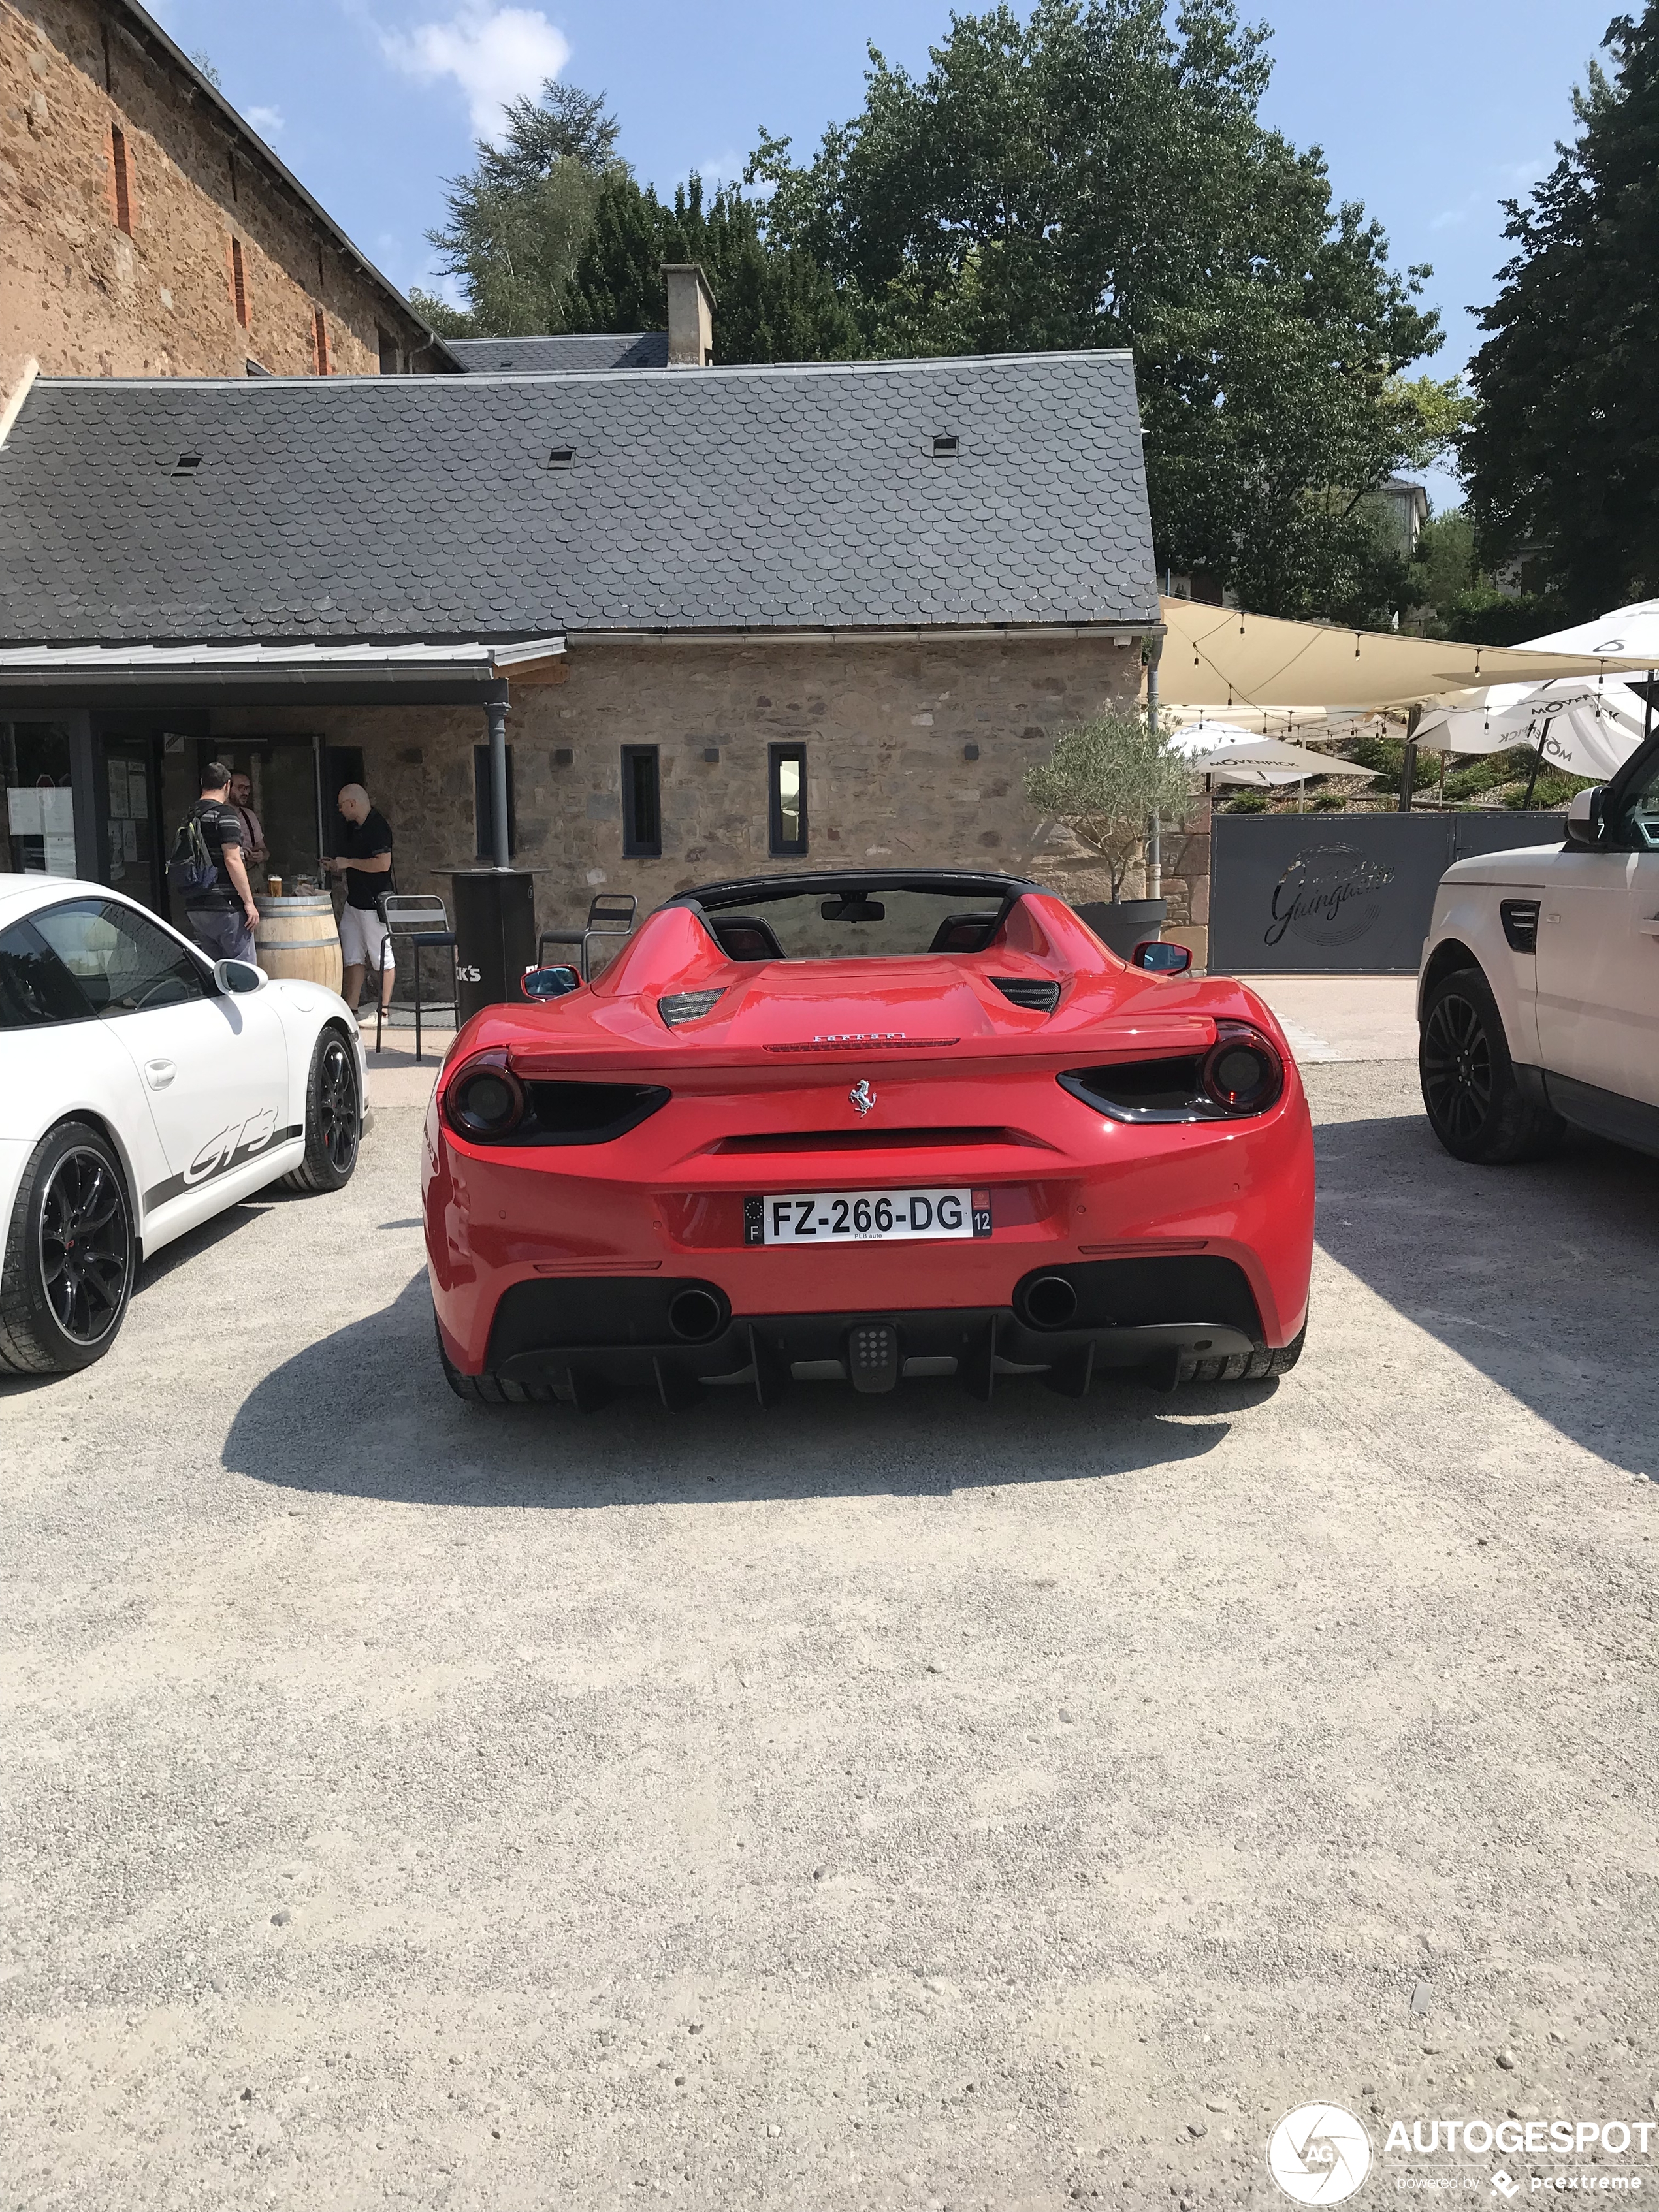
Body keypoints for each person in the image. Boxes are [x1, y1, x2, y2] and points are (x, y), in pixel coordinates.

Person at [327, 782, 395, 1023]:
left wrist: (349, 863)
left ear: (352, 804)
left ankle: (384, 1012)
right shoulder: (355, 828)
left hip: (373, 902)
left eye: (341, 805)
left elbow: (382, 864)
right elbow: (354, 860)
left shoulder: (378, 826)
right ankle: (352, 1009)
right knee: (353, 955)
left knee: (382, 957)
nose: (339, 810)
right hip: (355, 902)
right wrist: (338, 864)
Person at [182, 762, 261, 964]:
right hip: (226, 907)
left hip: (196, 907)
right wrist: (249, 903)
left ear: (202, 784)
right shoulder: (225, 814)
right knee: (244, 973)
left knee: (215, 973)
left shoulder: (189, 816)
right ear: (227, 785)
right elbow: (232, 859)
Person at [227, 772, 268, 878]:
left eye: (247, 788)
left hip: (252, 876)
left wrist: (261, 855)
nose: (245, 793)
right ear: (227, 787)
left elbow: (264, 849)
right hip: (227, 876)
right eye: (241, 788)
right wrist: (240, 853)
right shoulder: (217, 815)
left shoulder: (249, 815)